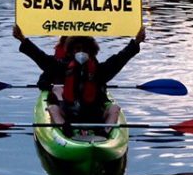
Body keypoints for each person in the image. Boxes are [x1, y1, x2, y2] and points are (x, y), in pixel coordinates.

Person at [13, 24, 146, 135]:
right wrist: (23, 40)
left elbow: (119, 59)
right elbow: (42, 58)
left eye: (85, 49)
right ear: (70, 51)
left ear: (91, 52)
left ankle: (105, 132)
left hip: (95, 116)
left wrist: (136, 42)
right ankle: (64, 131)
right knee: (53, 108)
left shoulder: (100, 71)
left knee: (114, 108)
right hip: (69, 115)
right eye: (77, 49)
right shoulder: (62, 68)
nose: (81, 52)